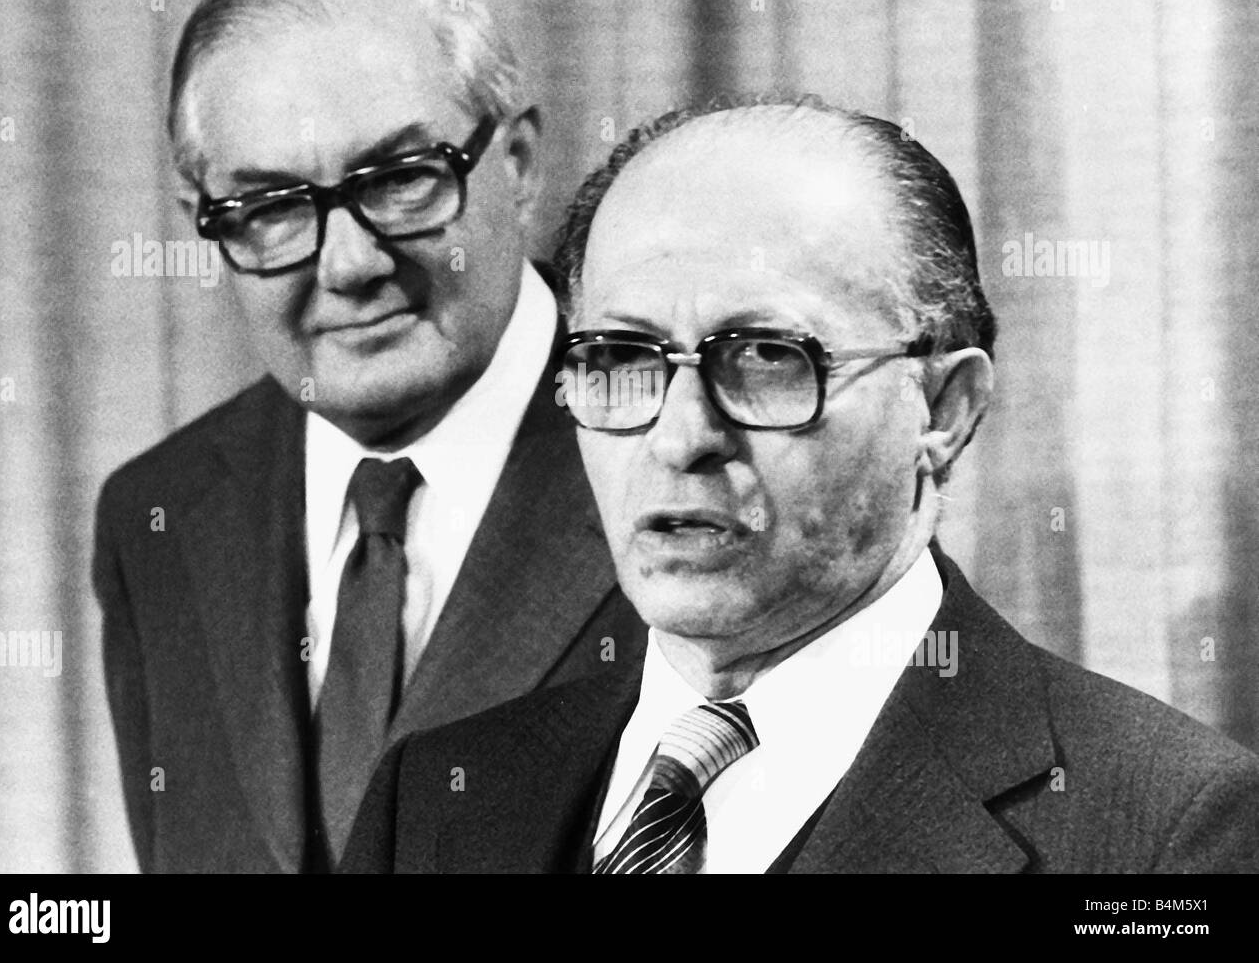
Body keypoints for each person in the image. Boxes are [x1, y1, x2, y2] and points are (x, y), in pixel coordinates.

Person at [340, 96, 1259, 874]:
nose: (682, 436)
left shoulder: (1165, 833)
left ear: (943, 409)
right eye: (622, 358)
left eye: (767, 358)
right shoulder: (433, 799)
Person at [91, 0, 643, 874]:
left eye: (399, 180)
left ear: (514, 163)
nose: (349, 265)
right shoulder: (159, 516)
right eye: (270, 206)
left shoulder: (681, 457)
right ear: (205, 219)